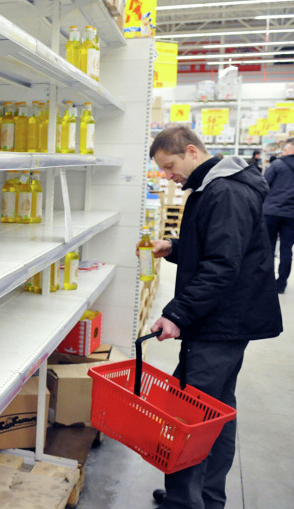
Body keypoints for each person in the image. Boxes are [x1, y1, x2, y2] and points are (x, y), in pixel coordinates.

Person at [145, 126, 282, 509]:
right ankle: (204, 495)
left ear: (192, 151)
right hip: (224, 319)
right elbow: (218, 246)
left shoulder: (225, 192)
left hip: (221, 322)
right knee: (215, 411)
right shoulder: (215, 187)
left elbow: (222, 265)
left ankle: (185, 501)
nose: (167, 176)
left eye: (169, 166)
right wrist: (175, 247)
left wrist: (177, 314)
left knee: (190, 412)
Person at [263, 137, 294, 293]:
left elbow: (263, 184)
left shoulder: (277, 165)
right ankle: (281, 284)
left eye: (285, 149)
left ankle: (266, 281)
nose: (282, 152)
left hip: (271, 212)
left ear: (291, 151)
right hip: (291, 215)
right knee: (286, 249)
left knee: (268, 245)